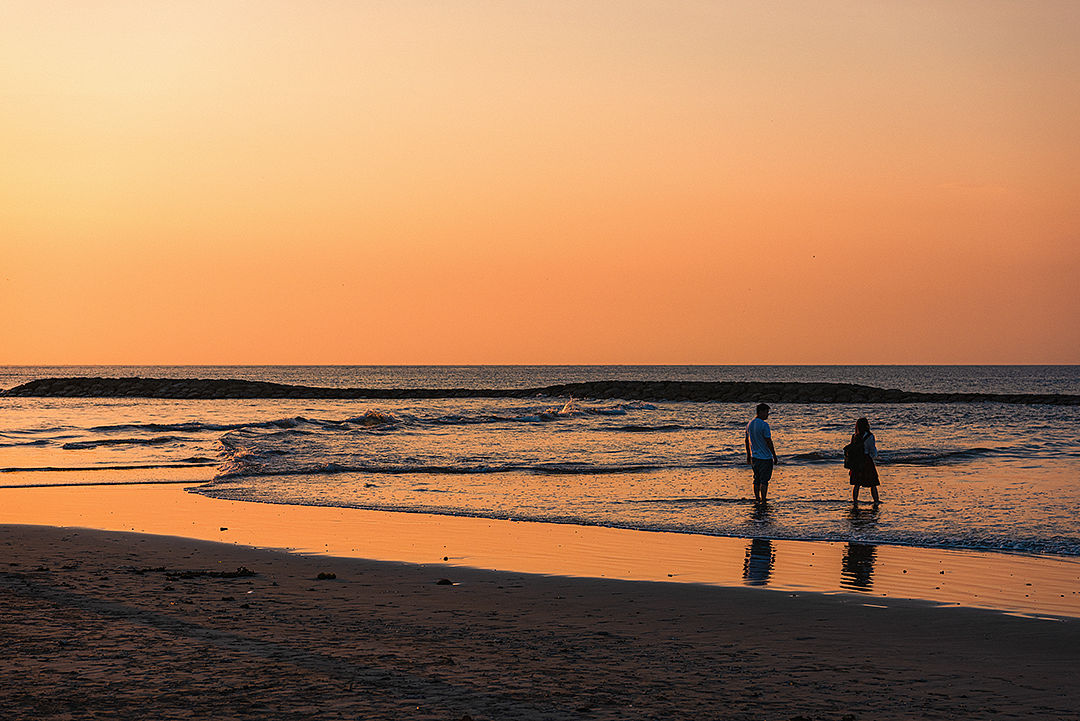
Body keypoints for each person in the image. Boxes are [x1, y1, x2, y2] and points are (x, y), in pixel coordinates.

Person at [745, 403, 778, 503]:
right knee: (764, 480)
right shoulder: (764, 425)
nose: (767, 415)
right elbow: (768, 441)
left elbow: (746, 441)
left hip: (754, 457)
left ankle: (757, 498)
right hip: (765, 457)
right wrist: (774, 455)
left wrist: (748, 454)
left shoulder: (749, 424)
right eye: (766, 412)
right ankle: (763, 499)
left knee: (756, 479)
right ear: (760, 412)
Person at [848, 417, 880, 503]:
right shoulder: (870, 436)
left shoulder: (854, 436)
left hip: (856, 460)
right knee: (872, 483)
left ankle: (855, 501)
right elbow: (872, 450)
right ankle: (876, 501)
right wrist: (874, 456)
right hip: (866, 459)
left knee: (856, 484)